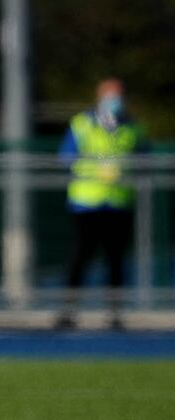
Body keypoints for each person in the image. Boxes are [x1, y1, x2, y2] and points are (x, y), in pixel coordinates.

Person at [57, 78, 148, 330]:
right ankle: (68, 310)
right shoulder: (83, 123)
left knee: (115, 260)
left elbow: (144, 158)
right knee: (80, 258)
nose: (116, 101)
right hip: (87, 202)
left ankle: (115, 312)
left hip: (118, 202)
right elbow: (65, 157)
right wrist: (97, 170)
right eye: (111, 95)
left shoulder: (132, 126)